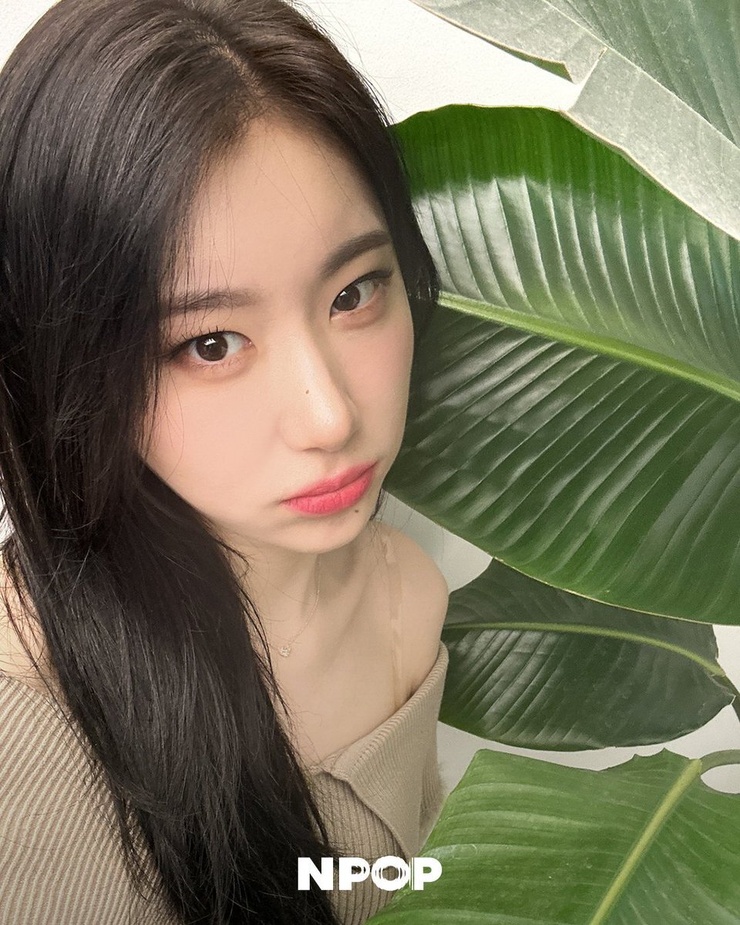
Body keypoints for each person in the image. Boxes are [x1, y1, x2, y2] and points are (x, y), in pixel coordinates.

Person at [0, 0, 450, 923]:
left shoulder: (407, 595)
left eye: (355, 292)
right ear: (68, 360)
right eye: (210, 344)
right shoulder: (23, 723)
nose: (330, 416)